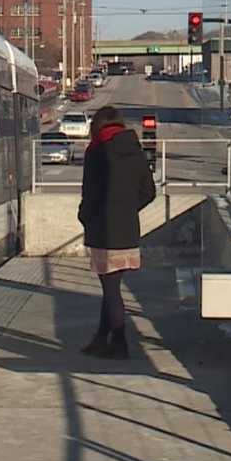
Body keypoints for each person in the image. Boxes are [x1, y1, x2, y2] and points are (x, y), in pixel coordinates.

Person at [77, 106, 156, 360]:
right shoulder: (136, 150)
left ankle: (119, 342)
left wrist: (85, 218)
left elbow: (89, 194)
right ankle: (101, 339)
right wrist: (128, 210)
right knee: (111, 287)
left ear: (97, 126)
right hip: (127, 231)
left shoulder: (97, 151)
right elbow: (149, 192)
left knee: (111, 290)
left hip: (104, 232)